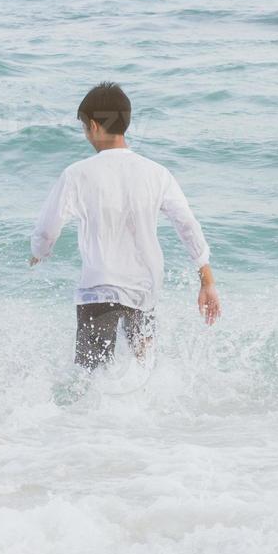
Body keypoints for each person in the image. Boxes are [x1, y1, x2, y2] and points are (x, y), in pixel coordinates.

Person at [30, 82, 222, 372]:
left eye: (84, 127)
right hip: (145, 288)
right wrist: (206, 280)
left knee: (91, 376)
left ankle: (90, 417)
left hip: (98, 289)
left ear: (94, 126)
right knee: (142, 368)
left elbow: (47, 229)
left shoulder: (77, 174)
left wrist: (39, 252)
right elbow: (187, 226)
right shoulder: (158, 173)